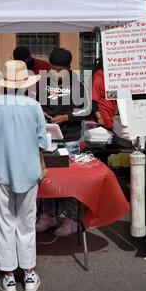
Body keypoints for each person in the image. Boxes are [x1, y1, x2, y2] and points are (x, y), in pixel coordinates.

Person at [0, 60, 48, 291]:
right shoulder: (34, 106)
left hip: (1, 170)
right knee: (26, 221)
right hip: (28, 171)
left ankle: (8, 277)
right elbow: (43, 141)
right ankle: (29, 273)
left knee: (4, 221)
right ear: (25, 85)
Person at [36, 48, 90, 236]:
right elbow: (36, 104)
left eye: (60, 69)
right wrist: (39, 113)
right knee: (46, 179)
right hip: (48, 138)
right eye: (53, 68)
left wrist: (66, 117)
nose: (56, 73)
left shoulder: (79, 85)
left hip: (70, 140)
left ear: (69, 68)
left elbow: (86, 110)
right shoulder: (44, 84)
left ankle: (72, 219)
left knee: (69, 182)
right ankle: (48, 216)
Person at [91, 58, 116, 130]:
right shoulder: (98, 79)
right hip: (102, 119)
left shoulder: (107, 78)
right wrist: (99, 118)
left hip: (109, 117)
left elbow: (110, 97)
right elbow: (93, 101)